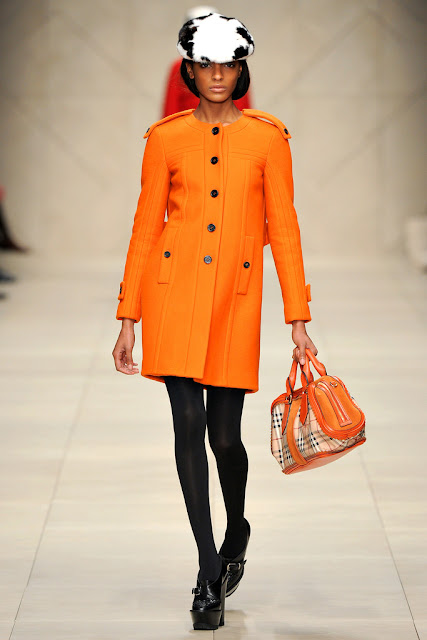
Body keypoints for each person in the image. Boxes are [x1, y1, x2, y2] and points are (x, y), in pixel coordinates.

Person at [112, 12, 318, 631]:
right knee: (187, 425)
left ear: (241, 70)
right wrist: (128, 315)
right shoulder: (165, 139)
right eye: (206, 65)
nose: (218, 75)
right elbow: (145, 226)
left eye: (228, 64)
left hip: (235, 298)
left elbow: (285, 228)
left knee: (225, 437)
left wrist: (298, 316)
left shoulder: (268, 139)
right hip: (173, 295)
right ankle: (207, 569)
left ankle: (237, 529)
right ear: (190, 71)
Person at [161, 6, 252, 117]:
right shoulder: (178, 66)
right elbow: (171, 105)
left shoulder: (234, 60)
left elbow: (242, 101)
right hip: (189, 125)